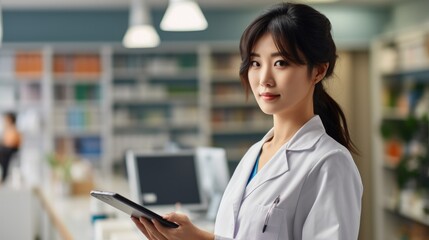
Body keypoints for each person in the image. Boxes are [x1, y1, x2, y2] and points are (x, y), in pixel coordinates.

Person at [131, 2, 363, 239]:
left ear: (318, 71)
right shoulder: (255, 154)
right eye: (255, 63)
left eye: (280, 63)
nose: (264, 79)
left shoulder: (330, 163)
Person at [0, 112, 21, 183]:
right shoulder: (6, 130)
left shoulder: (14, 130)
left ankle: (3, 177)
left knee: (3, 154)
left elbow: (12, 143)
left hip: (10, 150)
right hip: (5, 150)